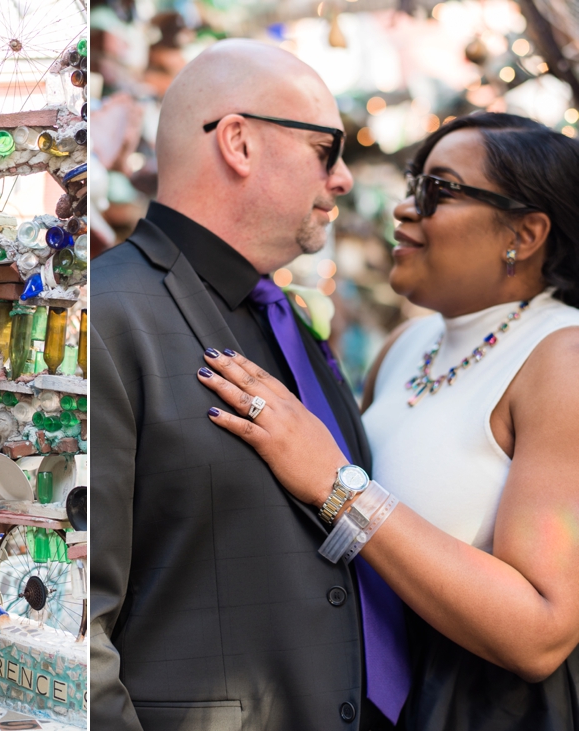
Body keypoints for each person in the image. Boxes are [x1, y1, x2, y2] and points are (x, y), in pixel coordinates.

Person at [196, 112, 579, 730]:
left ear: (527, 232)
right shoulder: (410, 341)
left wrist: (335, 484)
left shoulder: (563, 358)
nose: (404, 209)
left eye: (438, 190)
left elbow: (541, 634)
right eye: (411, 183)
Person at [91, 40, 404, 731]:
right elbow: (80, 629)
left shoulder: (291, 317)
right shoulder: (109, 315)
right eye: (329, 150)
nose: (346, 179)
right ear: (238, 141)